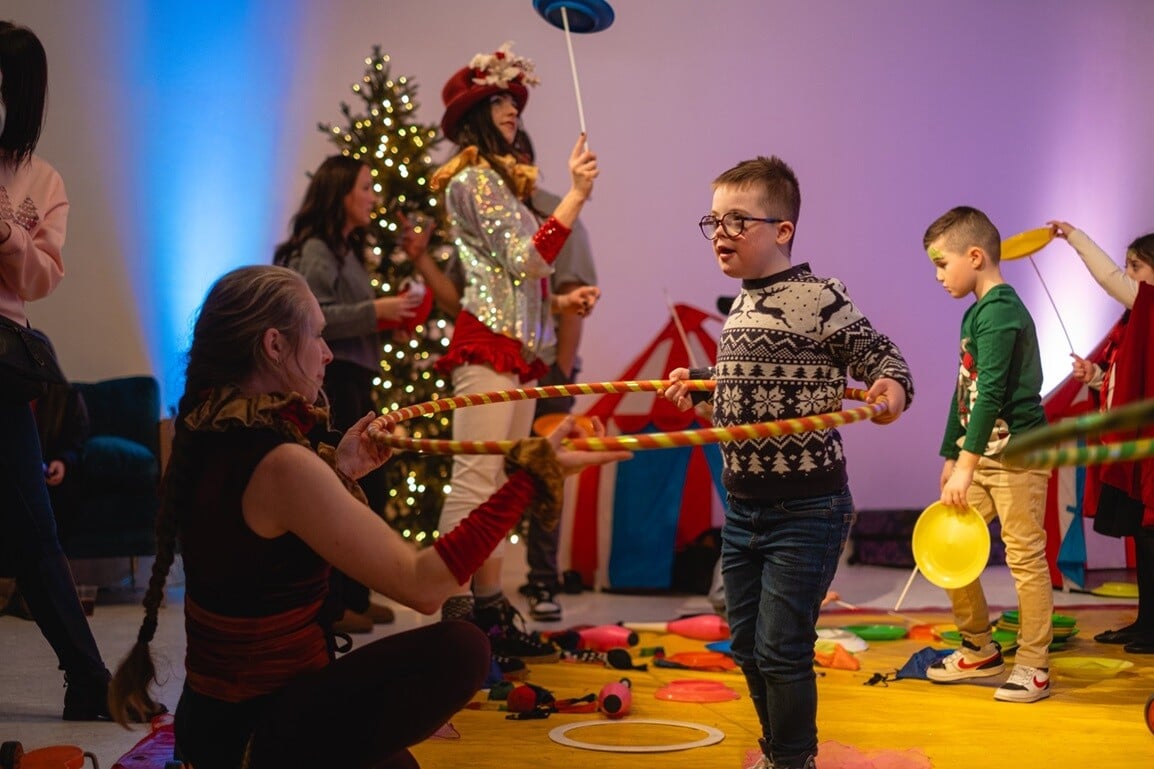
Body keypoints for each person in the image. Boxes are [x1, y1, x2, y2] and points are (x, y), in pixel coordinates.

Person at [107, 265, 628, 769]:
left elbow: (260, 534)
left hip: (212, 723)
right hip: (260, 731)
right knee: (462, 648)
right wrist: (531, 479)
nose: (329, 354)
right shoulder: (283, 464)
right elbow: (425, 586)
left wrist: (341, 466)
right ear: (273, 346)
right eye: (317, 335)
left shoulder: (197, 433)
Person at [663, 156, 913, 769]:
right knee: (746, 645)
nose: (720, 232)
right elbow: (746, 380)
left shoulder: (819, 296)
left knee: (781, 647)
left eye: (737, 220)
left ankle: (794, 759)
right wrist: (702, 384)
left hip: (809, 508)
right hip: (743, 509)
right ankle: (780, 751)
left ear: (782, 230)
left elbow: (882, 357)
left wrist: (890, 390)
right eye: (713, 220)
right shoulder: (743, 306)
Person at [427, 43, 599, 660]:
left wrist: (558, 307)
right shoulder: (473, 179)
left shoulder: (501, 185)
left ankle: (490, 617)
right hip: (485, 352)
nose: (512, 110)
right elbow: (526, 259)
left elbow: (514, 279)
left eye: (513, 101)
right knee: (474, 481)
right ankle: (455, 626)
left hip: (517, 351)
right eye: (498, 100)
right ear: (475, 113)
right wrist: (576, 195)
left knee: (501, 484)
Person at [0, 20, 117, 721]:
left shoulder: (44, 181)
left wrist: (8, 230)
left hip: (3, 358)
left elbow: (42, 279)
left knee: (33, 525)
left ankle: (88, 676)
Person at [274, 154, 430, 633]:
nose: (372, 197)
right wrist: (378, 309)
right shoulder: (317, 249)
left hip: (355, 374)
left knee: (367, 486)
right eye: (364, 187)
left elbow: (349, 314)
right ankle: (336, 603)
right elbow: (316, 316)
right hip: (335, 378)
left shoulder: (344, 250)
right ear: (340, 192)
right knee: (341, 485)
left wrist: (385, 321)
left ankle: (354, 596)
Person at [922, 206, 1053, 702]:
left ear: (974, 256)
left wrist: (968, 462)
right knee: (950, 546)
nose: (938, 276)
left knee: (1025, 557)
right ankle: (979, 647)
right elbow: (966, 392)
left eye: (941, 263)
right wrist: (951, 456)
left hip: (1017, 454)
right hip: (981, 456)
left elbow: (994, 391)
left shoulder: (1000, 311)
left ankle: (1035, 665)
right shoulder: (975, 312)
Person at [1051, 220, 1154, 654]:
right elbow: (1127, 380)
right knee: (1143, 537)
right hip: (1138, 445)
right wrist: (1094, 376)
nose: (1127, 274)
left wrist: (1074, 237)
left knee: (1151, 536)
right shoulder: (1133, 322)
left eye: (1135, 265)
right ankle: (1146, 621)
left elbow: (1108, 278)